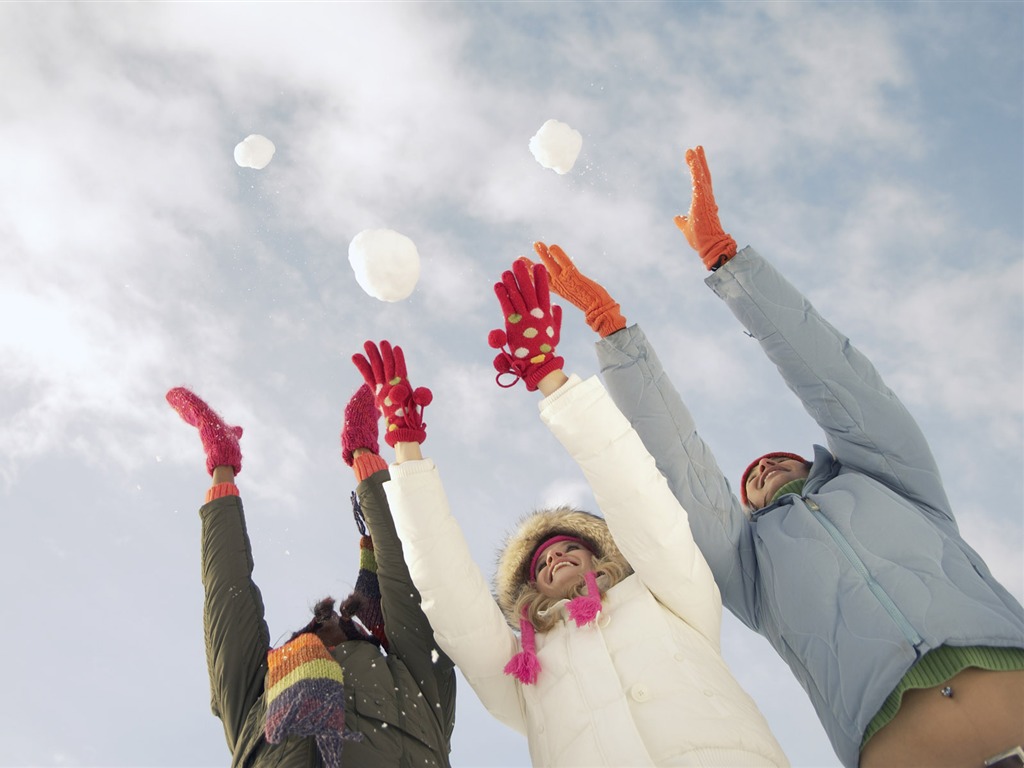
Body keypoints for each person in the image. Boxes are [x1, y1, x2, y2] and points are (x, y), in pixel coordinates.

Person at [525, 145, 1024, 768]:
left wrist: (728, 262)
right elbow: (682, 468)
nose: (759, 469)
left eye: (776, 461)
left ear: (817, 465)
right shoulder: (748, 568)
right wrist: (615, 334)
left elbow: (838, 380)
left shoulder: (895, 482)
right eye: (750, 479)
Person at [348, 262, 790, 767]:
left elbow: (635, 494)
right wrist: (405, 446)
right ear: (530, 589)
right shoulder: (524, 666)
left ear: (601, 554)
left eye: (567, 548)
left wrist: (549, 377)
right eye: (542, 563)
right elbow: (449, 596)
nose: (555, 557)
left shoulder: (670, 596)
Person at [165, 384, 456, 768]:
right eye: (320, 624)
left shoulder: (411, 676)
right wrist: (222, 465)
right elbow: (226, 599)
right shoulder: (264, 688)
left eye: (336, 621)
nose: (329, 623)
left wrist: (365, 458)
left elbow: (405, 580)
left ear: (372, 634)